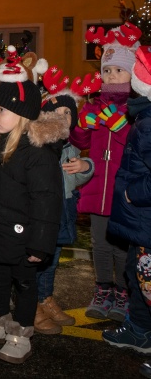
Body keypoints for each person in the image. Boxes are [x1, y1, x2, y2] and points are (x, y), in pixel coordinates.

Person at [0, 79, 64, 364]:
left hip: (23, 236)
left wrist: (40, 243)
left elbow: (47, 201)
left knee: (25, 283)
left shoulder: (38, 155)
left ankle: (20, 333)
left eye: (1, 110)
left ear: (22, 114)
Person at [70, 22, 138, 322]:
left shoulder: (136, 109)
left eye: (118, 71)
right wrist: (83, 126)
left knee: (122, 245)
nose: (111, 76)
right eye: (107, 70)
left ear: (133, 74)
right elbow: (80, 141)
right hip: (98, 185)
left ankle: (124, 293)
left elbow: (138, 145)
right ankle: (102, 289)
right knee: (100, 242)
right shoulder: (95, 105)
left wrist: (121, 127)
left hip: (123, 189)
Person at [33, 77, 94, 334]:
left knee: (53, 259)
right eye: (55, 112)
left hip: (63, 211)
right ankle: (32, 302)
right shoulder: (40, 146)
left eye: (67, 112)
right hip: (41, 214)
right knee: (38, 258)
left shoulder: (70, 148)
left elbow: (77, 176)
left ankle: (46, 297)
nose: (61, 116)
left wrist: (85, 166)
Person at [104, 45, 151, 356]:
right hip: (142, 222)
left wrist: (132, 194)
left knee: (146, 282)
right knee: (139, 278)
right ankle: (139, 331)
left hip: (145, 217)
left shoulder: (147, 123)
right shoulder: (144, 117)